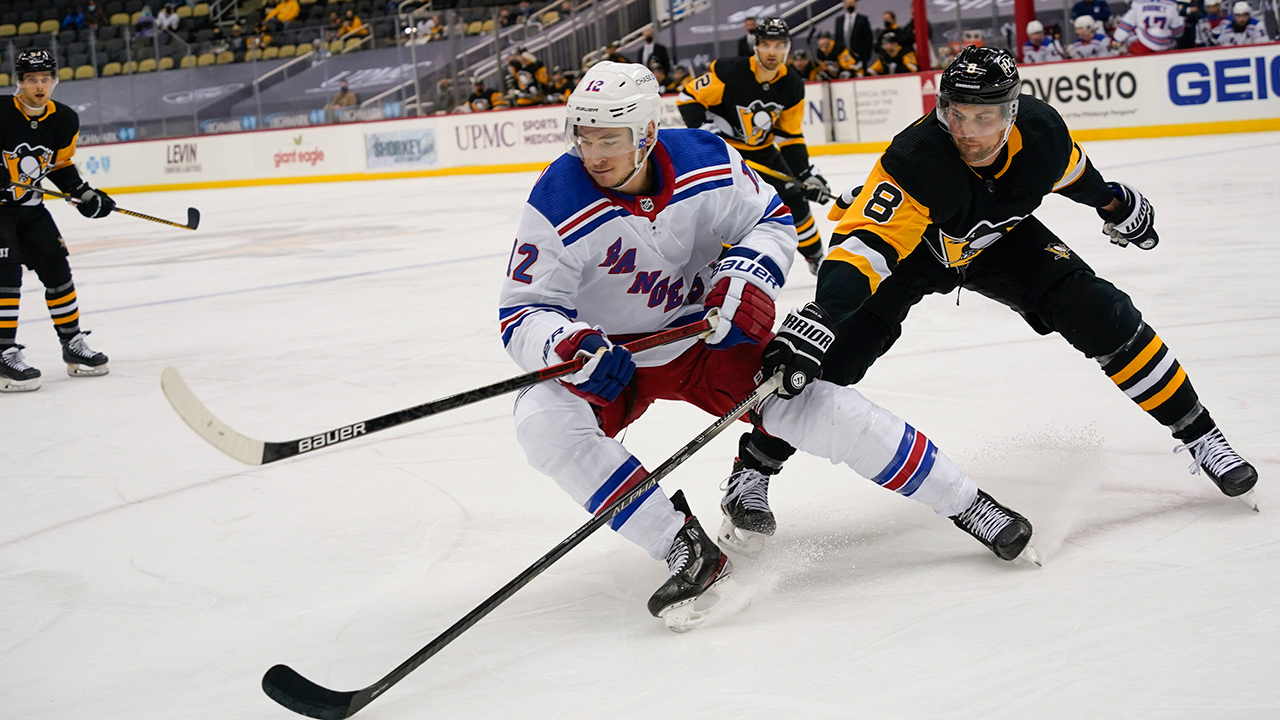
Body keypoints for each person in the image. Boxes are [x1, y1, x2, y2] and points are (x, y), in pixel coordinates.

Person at [501, 60, 1038, 630]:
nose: (594, 154)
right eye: (583, 138)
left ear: (647, 133)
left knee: (814, 405)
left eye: (609, 138)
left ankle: (967, 502)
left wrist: (746, 277)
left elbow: (772, 220)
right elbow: (522, 312)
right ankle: (680, 546)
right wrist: (568, 344)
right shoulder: (557, 198)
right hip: (614, 360)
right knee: (541, 419)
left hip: (709, 338)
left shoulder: (705, 159)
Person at [720, 46, 1259, 552]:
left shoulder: (1041, 134)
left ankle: (1201, 436)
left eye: (985, 117)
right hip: (915, 254)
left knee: (1102, 312)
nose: (968, 132)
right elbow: (864, 248)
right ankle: (752, 470)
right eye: (956, 114)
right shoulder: (915, 159)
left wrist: (1113, 203)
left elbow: (1073, 171)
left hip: (999, 242)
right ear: (941, 108)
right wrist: (825, 313)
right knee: (836, 353)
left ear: (1013, 111)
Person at [677, 18, 830, 275]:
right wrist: (703, 128)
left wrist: (805, 174)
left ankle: (816, 257)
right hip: (727, 153)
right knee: (729, 208)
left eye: (779, 45)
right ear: (755, 46)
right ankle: (721, 261)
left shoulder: (792, 83)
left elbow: (790, 136)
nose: (772, 51)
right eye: (766, 44)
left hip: (764, 151)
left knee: (795, 198)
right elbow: (687, 96)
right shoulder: (729, 71)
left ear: (788, 47)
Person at [0, 50, 114, 393]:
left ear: (55, 81)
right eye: (32, 79)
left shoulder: (64, 119)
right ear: (19, 81)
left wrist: (83, 193)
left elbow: (60, 165)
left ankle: (73, 345)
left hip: (31, 209)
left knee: (57, 270)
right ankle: (3, 351)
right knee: (7, 276)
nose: (39, 86)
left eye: (45, 79)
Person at [1113, 0, 1184, 53]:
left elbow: (1126, 24)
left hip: (1144, 43)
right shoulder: (1171, 4)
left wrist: (1117, 39)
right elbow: (1178, 30)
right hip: (1165, 44)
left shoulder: (1139, 3)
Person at [833, 0, 874, 70]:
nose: (849, 5)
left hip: (859, 57)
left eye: (851, 3)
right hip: (843, 58)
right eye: (847, 3)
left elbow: (868, 40)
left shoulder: (862, 20)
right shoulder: (839, 20)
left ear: (855, 4)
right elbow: (838, 39)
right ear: (844, 5)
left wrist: (865, 58)